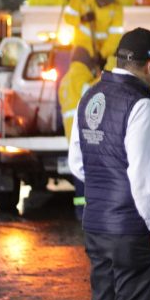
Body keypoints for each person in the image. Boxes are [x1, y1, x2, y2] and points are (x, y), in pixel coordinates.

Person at [68, 28, 150, 300]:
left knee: (103, 299)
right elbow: (144, 174)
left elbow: (78, 163)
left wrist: (107, 185)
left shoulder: (88, 97)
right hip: (133, 230)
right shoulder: (142, 105)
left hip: (96, 227)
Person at [59, 47, 98, 220]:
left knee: (79, 174)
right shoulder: (81, 77)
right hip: (85, 133)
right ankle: (87, 214)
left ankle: (81, 212)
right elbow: (92, 93)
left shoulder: (65, 80)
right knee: (88, 175)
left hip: (71, 134)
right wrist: (103, 77)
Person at [63, 0, 124, 66]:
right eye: (100, 1)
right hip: (82, 45)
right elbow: (68, 18)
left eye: (105, 3)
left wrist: (103, 55)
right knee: (78, 70)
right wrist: (82, 19)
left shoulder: (116, 8)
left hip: (102, 48)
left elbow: (115, 36)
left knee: (108, 72)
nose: (102, 4)